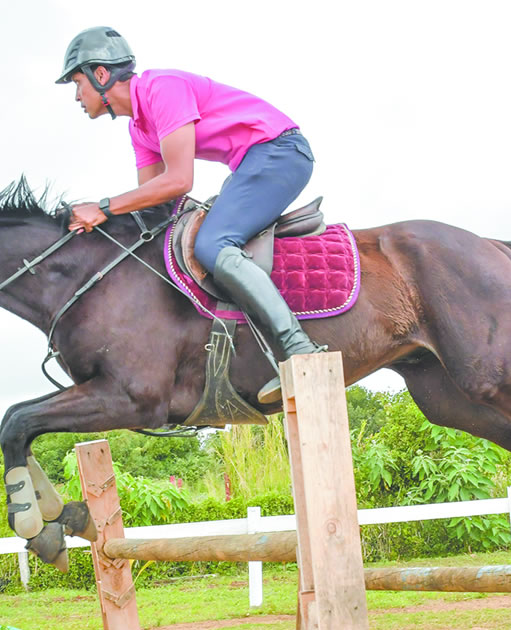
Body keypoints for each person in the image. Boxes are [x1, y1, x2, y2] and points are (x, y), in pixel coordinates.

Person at [57, 26, 323, 404]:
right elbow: (154, 204)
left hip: (279, 153)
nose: (77, 96)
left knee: (213, 244)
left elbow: (179, 180)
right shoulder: (139, 129)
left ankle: (300, 350)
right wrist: (98, 225)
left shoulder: (162, 87)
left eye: (77, 83)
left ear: (101, 75)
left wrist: (102, 208)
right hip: (251, 164)